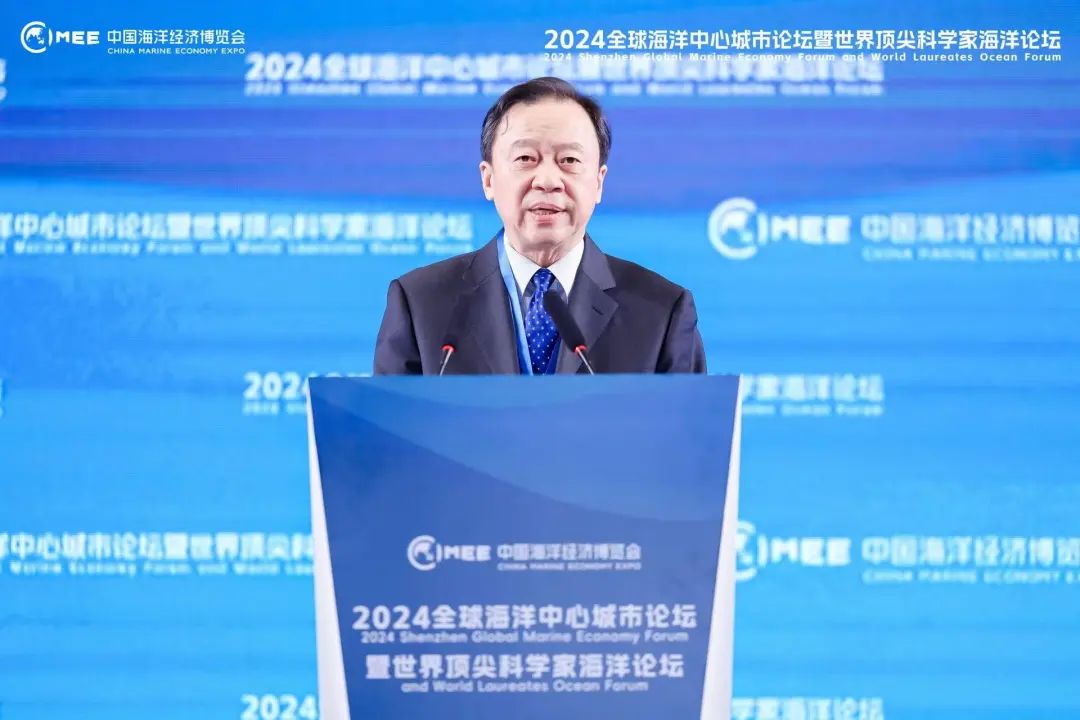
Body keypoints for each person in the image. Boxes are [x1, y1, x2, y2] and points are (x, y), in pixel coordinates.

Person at [374, 76, 706, 375]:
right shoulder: (420, 302)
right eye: (525, 159)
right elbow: (388, 423)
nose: (548, 180)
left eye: (569, 160)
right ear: (488, 179)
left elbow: (687, 425)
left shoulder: (662, 311)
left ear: (599, 182)